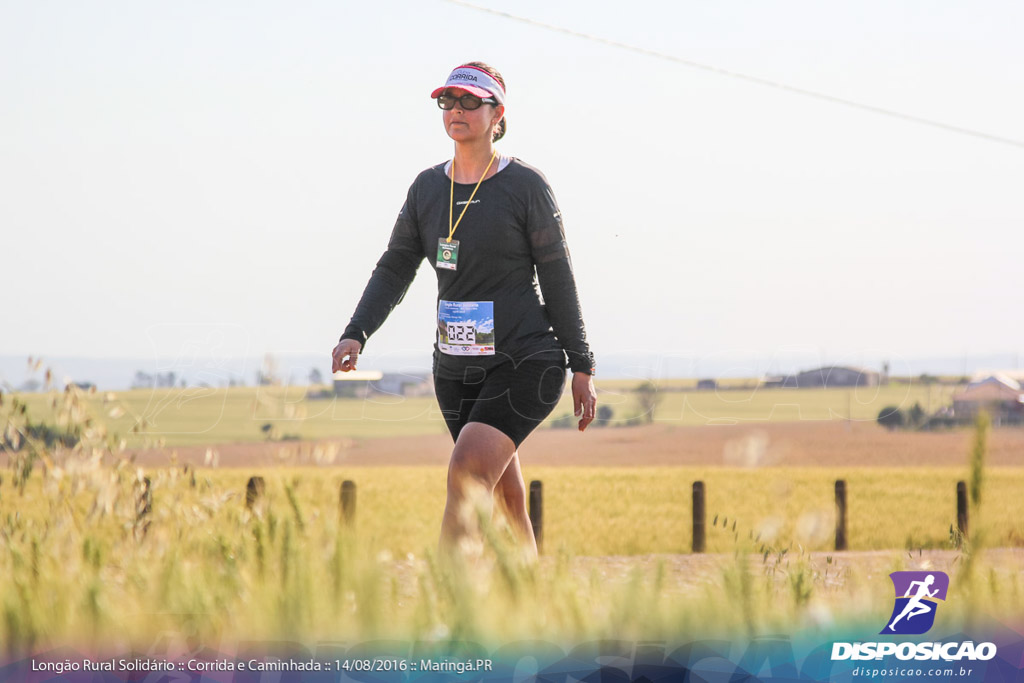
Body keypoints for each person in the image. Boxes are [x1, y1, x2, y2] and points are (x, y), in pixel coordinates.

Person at [331, 62, 596, 561]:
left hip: (524, 361)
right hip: (455, 370)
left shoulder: (525, 186)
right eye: (448, 101)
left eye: (470, 101)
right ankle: (531, 603)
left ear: (497, 114)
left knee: (467, 472)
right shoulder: (427, 189)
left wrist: (582, 363)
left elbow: (558, 275)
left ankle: (450, 608)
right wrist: (356, 332)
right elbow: (395, 266)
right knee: (506, 495)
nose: (457, 110)